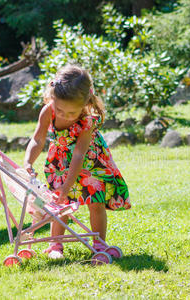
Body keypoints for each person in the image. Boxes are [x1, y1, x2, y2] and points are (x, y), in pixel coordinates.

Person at [23, 64, 131, 259]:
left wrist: (68, 186)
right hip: (61, 162)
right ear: (52, 98)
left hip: (91, 163)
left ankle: (99, 243)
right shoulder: (48, 110)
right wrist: (28, 162)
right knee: (59, 203)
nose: (64, 115)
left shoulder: (88, 120)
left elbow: (80, 155)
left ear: (85, 103)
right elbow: (37, 139)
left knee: (95, 202)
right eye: (60, 110)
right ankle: (55, 246)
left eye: (71, 113)